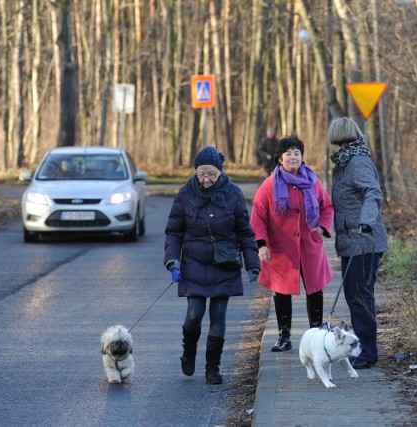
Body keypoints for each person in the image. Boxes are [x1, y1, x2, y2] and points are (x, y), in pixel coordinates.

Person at [163, 145, 261, 384]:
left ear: (220, 171)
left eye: (211, 174)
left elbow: (245, 233)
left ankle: (213, 368)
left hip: (224, 263)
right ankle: (188, 351)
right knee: (194, 314)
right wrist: (172, 259)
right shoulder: (186, 193)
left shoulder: (233, 194)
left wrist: (252, 263)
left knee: (218, 316)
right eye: (201, 174)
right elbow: (174, 231)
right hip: (194, 262)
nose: (206, 180)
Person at [250, 136, 334, 352]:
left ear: (302, 157)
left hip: (310, 244)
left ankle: (316, 334)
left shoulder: (313, 181)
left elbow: (327, 207)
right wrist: (261, 244)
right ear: (280, 159)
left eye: (297, 153)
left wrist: (322, 227)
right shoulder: (269, 185)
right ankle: (283, 336)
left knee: (315, 289)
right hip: (281, 247)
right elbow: (258, 216)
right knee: (281, 291)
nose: (293, 157)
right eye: (288, 153)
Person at [327, 117, 388, 370]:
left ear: (339, 136)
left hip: (364, 240)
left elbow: (373, 192)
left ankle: (367, 352)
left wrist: (365, 222)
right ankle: (363, 350)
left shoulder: (357, 162)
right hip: (350, 242)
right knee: (354, 297)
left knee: (361, 298)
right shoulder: (343, 164)